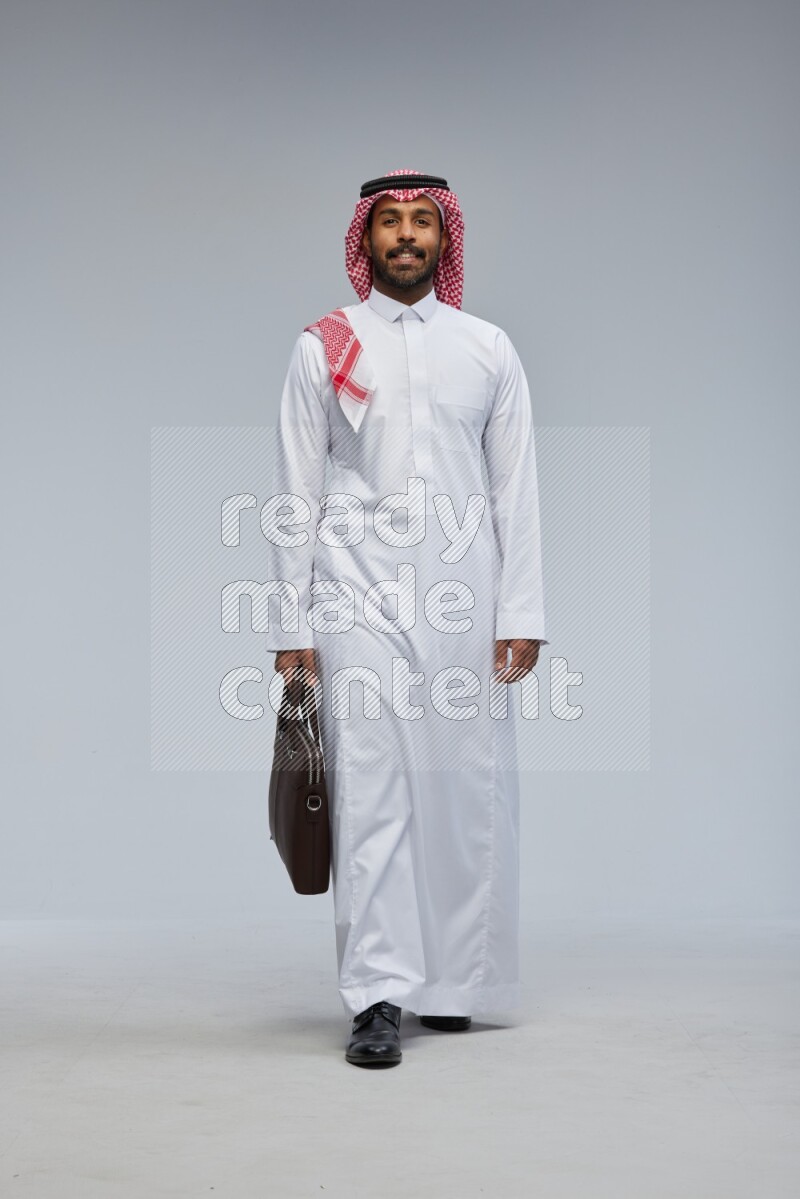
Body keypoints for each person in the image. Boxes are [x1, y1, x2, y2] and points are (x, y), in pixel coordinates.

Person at [265, 169, 547, 1067]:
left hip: (466, 594)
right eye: (390, 222)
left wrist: (522, 610)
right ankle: (379, 994)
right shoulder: (325, 345)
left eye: (423, 221)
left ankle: (453, 985)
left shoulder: (488, 348)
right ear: (367, 239)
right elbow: (295, 491)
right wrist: (291, 629)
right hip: (354, 592)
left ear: (444, 238)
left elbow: (516, 488)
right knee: (373, 788)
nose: (406, 235)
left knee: (464, 788)